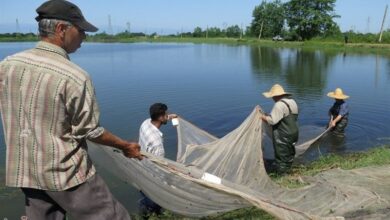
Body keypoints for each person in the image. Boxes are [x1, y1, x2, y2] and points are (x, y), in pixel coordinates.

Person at [0, 1, 142, 220]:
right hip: (65, 173)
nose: (84, 36)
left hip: (25, 170)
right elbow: (89, 131)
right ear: (61, 29)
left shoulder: (8, 65)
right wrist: (125, 146)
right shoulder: (74, 76)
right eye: (81, 30)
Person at [138, 103, 177, 217]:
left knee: (145, 200)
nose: (167, 115)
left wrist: (171, 117)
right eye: (166, 114)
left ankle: (143, 212)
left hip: (140, 170)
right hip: (152, 179)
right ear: (160, 117)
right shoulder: (157, 144)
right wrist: (172, 169)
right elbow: (159, 167)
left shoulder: (145, 123)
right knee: (155, 206)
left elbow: (159, 119)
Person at [260, 84, 299, 175]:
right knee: (289, 152)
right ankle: (289, 169)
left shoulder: (278, 105)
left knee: (281, 155)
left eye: (273, 96)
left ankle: (282, 175)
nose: (272, 98)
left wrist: (262, 116)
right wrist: (267, 115)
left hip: (283, 134)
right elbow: (287, 116)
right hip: (294, 132)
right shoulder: (292, 102)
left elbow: (272, 121)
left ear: (276, 96)